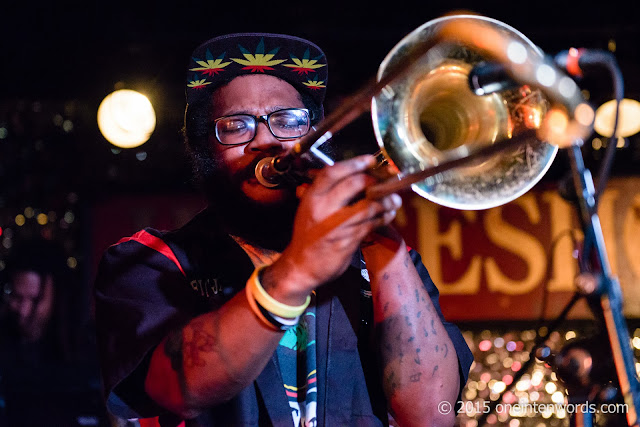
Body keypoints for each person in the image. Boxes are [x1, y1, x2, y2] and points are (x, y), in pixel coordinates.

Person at [94, 33, 473, 426]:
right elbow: (177, 388)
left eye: (288, 122)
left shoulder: (387, 261)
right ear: (207, 147)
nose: (265, 139)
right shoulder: (150, 260)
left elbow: (431, 416)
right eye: (237, 126)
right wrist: (298, 271)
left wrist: (379, 240)